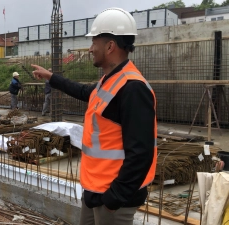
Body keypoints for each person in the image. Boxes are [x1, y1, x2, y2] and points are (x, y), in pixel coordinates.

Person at [31, 7, 157, 225]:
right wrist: (51, 77)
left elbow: (141, 154)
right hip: (95, 190)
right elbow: (83, 92)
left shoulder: (133, 89)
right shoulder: (109, 80)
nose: (90, 49)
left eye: (94, 43)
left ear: (110, 46)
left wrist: (113, 198)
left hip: (113, 198)